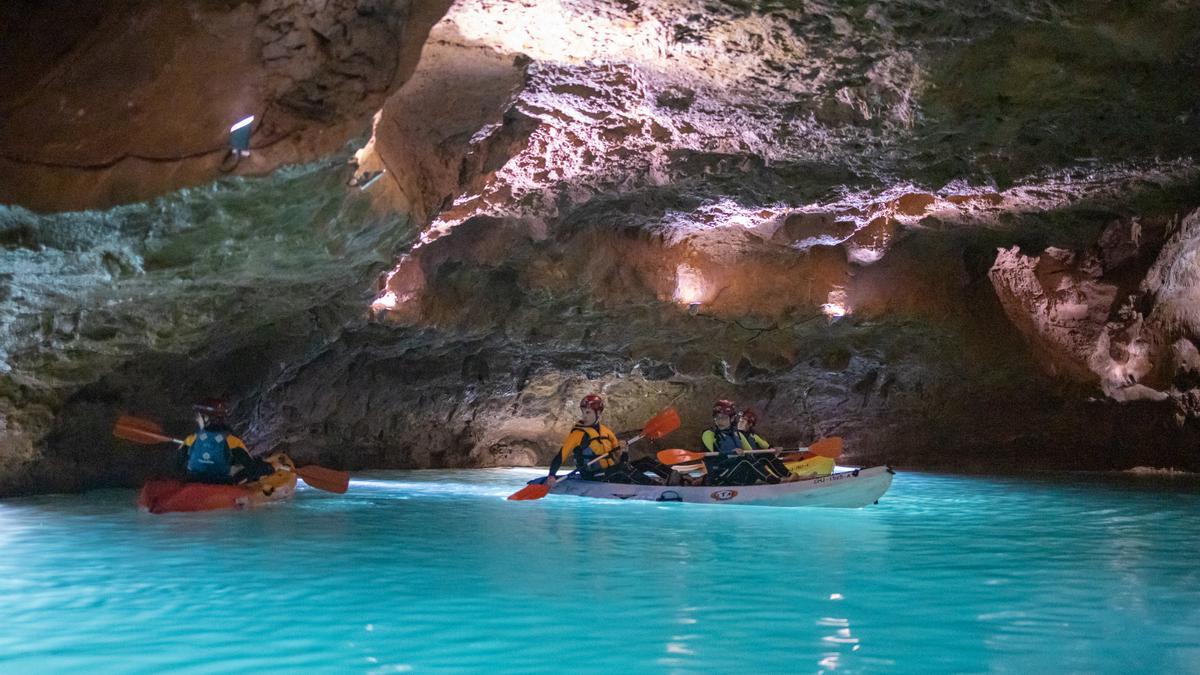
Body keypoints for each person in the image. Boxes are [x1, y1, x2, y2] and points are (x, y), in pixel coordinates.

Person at [545, 394, 642, 487]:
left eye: (588, 412)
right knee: (623, 469)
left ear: (598, 413)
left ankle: (655, 484)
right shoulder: (578, 434)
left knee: (645, 462)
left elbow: (621, 461)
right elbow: (560, 456)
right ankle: (655, 487)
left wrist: (625, 451)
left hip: (611, 472)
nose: (584, 416)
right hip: (592, 475)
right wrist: (551, 475)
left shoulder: (607, 432)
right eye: (583, 412)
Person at [181, 398, 275, 485]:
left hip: (195, 481)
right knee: (262, 468)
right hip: (221, 483)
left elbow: (178, 465)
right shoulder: (232, 440)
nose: (196, 419)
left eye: (198, 416)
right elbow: (251, 467)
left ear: (206, 418)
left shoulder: (191, 439)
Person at [701, 400, 774, 485]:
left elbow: (751, 455)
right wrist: (730, 453)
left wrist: (771, 450)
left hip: (737, 472)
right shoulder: (709, 434)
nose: (719, 421)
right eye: (717, 418)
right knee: (743, 460)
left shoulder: (737, 434)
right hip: (719, 474)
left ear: (732, 419)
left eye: (723, 418)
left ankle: (786, 477)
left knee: (762, 458)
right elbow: (708, 457)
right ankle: (776, 482)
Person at [737, 409, 797, 482]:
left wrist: (775, 449)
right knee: (764, 456)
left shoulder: (753, 435)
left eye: (743, 421)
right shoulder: (734, 433)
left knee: (767, 455)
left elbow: (767, 446)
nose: (740, 423)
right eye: (740, 420)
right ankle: (781, 479)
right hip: (742, 467)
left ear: (750, 424)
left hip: (753, 466)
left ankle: (789, 476)